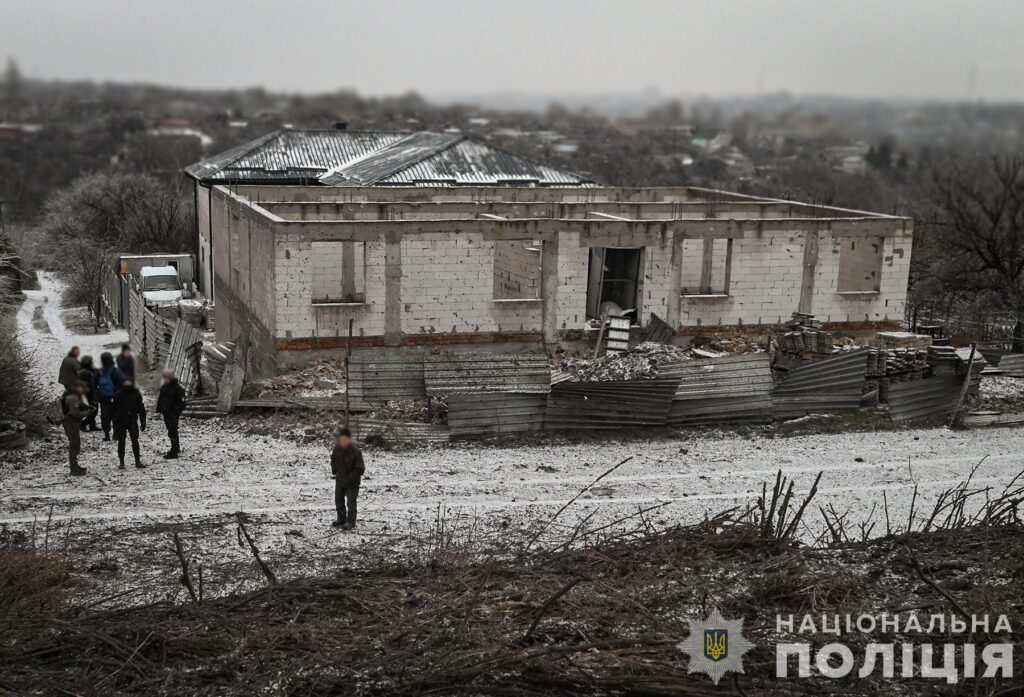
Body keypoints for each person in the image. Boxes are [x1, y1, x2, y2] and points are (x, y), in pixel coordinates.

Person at [330, 426, 364, 529]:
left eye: (345, 439)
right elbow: (333, 460)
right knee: (338, 500)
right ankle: (341, 519)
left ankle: (351, 522)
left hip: (352, 482)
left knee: (351, 502)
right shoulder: (337, 449)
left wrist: (351, 478)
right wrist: (334, 470)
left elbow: (360, 468)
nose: (343, 441)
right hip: (340, 480)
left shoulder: (356, 451)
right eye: (341, 439)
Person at [111, 376, 147, 470]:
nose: (127, 384)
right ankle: (121, 462)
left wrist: (143, 421)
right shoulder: (118, 394)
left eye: (129, 382)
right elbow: (113, 410)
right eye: (126, 382)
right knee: (121, 442)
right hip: (121, 421)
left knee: (135, 441)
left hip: (132, 420)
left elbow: (141, 409)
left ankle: (137, 461)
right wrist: (114, 424)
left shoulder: (136, 394)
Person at [62, 380, 96, 476]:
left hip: (71, 423)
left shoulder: (71, 396)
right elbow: (76, 413)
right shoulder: (73, 398)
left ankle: (75, 466)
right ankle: (74, 468)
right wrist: (88, 412)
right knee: (74, 444)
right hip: (71, 423)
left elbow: (78, 407)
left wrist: (87, 407)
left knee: (75, 444)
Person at [156, 369, 186, 459]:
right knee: (171, 431)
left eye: (166, 378)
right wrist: (158, 410)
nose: (165, 380)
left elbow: (183, 403)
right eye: (164, 378)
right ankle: (176, 448)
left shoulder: (178, 389)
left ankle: (174, 452)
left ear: (171, 378)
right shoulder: (164, 387)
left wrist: (175, 412)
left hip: (173, 414)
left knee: (173, 432)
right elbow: (160, 400)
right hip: (166, 413)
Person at [96, 352, 124, 441]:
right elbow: (121, 384)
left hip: (104, 398)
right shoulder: (115, 370)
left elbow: (94, 384)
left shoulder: (99, 371)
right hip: (115, 397)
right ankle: (116, 434)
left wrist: (97, 396)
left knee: (105, 416)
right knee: (116, 415)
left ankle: (106, 435)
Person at [78, 355, 99, 432]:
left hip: (87, 394)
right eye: (91, 363)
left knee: (92, 410)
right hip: (89, 395)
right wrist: (93, 397)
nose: (93, 364)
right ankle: (83, 424)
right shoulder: (85, 373)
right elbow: (89, 386)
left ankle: (92, 425)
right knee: (93, 411)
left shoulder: (84, 371)